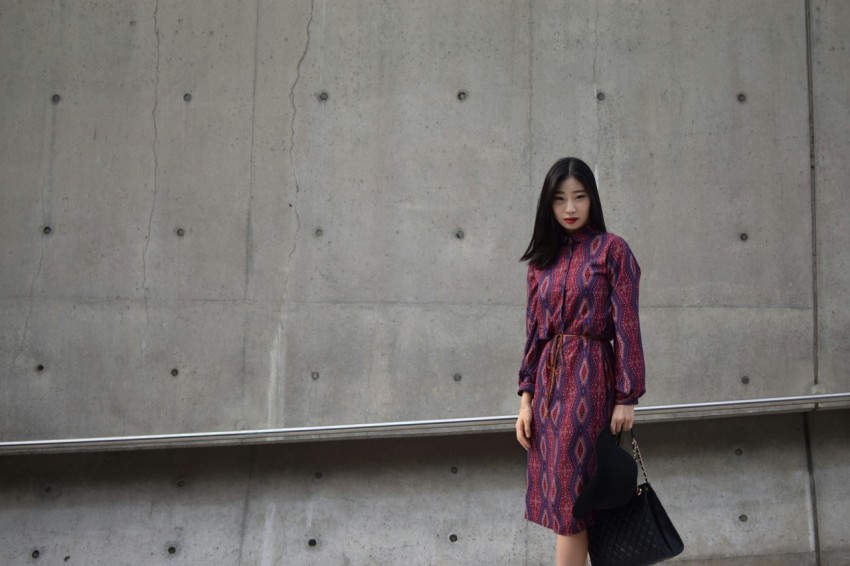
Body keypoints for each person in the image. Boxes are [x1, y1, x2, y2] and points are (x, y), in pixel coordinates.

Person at [515, 157, 646, 566]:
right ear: (548, 204)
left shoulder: (612, 250)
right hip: (548, 392)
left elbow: (627, 325)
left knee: (573, 498)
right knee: (565, 499)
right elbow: (534, 335)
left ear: (593, 199)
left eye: (579, 197)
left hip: (591, 383)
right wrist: (525, 400)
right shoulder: (541, 262)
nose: (570, 208)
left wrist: (627, 396)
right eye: (559, 199)